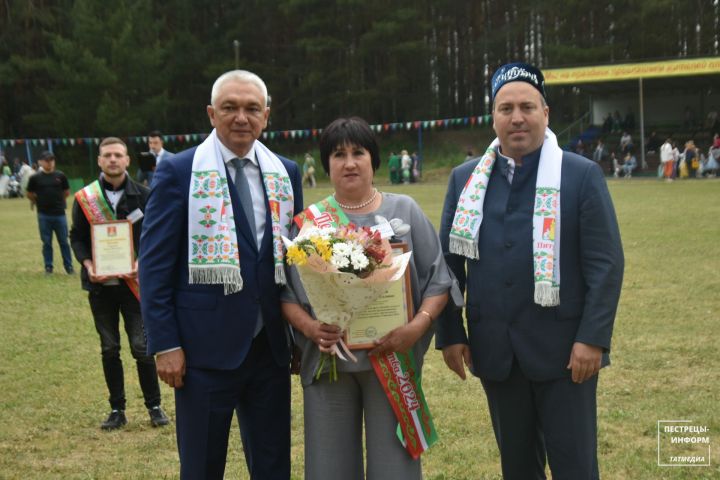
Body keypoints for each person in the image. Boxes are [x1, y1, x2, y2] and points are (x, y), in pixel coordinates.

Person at [437, 62, 624, 480]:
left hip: (566, 352)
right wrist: (451, 333)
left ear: (546, 113)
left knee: (575, 466)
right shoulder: (464, 180)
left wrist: (592, 339)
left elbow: (606, 264)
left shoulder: (581, 175)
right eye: (506, 108)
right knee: (517, 468)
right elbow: (448, 265)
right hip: (496, 350)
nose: (516, 117)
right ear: (493, 118)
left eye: (527, 106)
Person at [138, 69, 303, 479]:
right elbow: (154, 266)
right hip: (201, 353)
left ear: (267, 115)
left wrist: (298, 332)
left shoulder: (286, 173)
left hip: (270, 350)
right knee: (201, 467)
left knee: (272, 465)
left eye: (251, 109)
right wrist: (165, 344)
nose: (241, 118)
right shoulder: (179, 171)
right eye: (229, 108)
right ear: (212, 113)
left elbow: (293, 262)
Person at [282, 116, 454, 480]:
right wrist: (312, 328)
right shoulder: (308, 224)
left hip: (391, 360)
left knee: (396, 468)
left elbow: (439, 280)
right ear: (326, 163)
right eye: (338, 154)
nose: (349, 162)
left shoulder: (405, 210)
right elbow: (285, 294)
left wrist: (417, 327)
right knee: (329, 467)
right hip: (330, 364)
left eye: (358, 152)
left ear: (373, 160)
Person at [69, 137, 169, 430]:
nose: (113, 160)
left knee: (142, 348)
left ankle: (154, 407)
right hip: (101, 288)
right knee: (109, 348)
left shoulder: (145, 195)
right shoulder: (85, 198)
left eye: (118, 155)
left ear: (127, 160)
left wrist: (142, 264)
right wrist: (88, 265)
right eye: (107, 155)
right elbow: (76, 236)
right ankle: (116, 409)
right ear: (100, 161)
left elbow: (157, 235)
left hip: (135, 286)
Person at [26, 151, 75, 275]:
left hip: (59, 214)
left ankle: (69, 267)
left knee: (64, 241)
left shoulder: (61, 176)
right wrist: (38, 202)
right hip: (43, 215)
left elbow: (66, 192)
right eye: (47, 160)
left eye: (52, 160)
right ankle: (48, 267)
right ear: (41, 162)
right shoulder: (35, 178)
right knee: (46, 242)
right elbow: (29, 193)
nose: (50, 163)